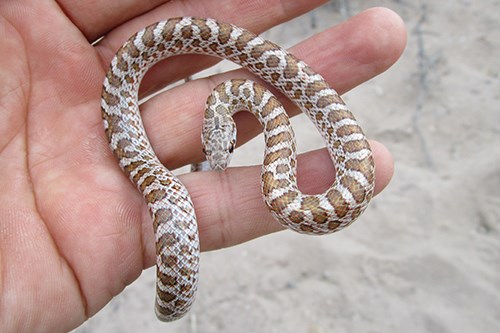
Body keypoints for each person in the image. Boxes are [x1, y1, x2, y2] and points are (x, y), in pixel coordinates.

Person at [0, 1, 404, 332]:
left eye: (221, 149)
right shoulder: (230, 107)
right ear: (218, 126)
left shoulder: (262, 112)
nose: (220, 160)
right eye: (216, 150)